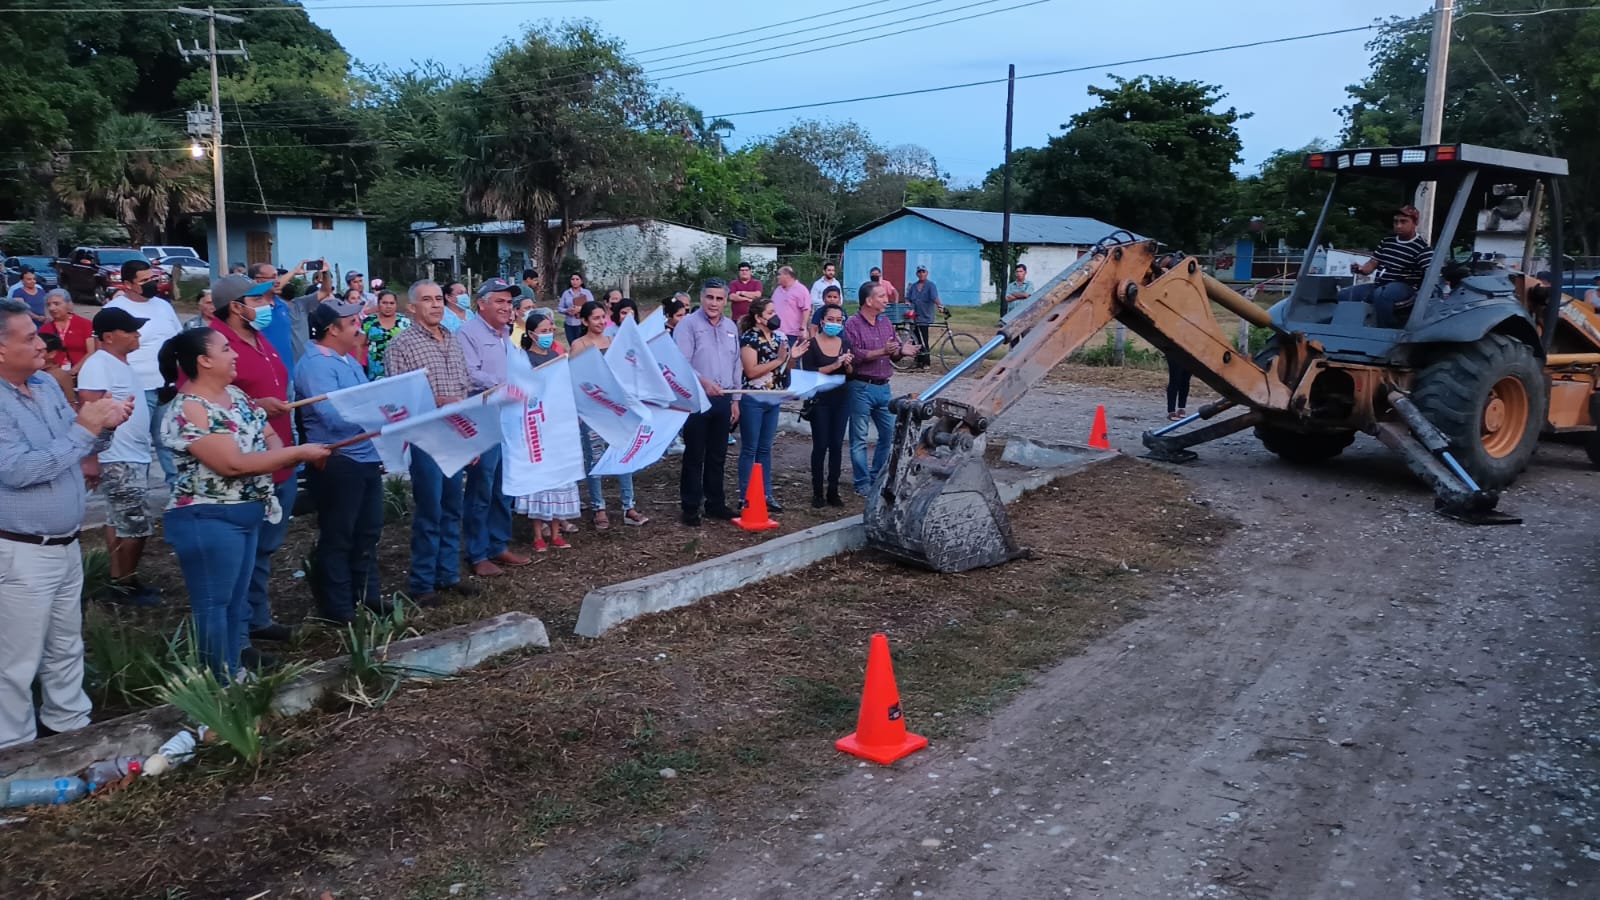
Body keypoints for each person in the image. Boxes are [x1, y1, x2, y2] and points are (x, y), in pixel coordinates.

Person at [0, 298, 135, 749]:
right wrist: (84, 429)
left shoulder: (41, 383)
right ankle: (14, 749)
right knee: (15, 657)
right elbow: (18, 471)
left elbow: (73, 446)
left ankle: (68, 727)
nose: (43, 344)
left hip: (64, 542)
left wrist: (106, 426)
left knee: (65, 644)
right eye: (30, 338)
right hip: (19, 550)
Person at [157, 329, 328, 680]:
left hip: (247, 512)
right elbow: (231, 463)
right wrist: (295, 454)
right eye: (225, 349)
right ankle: (217, 685)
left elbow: (268, 437)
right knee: (214, 605)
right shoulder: (189, 408)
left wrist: (282, 454)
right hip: (208, 517)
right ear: (204, 361)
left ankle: (234, 668)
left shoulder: (235, 395)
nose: (234, 355)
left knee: (236, 602)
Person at [209, 275, 299, 654]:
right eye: (258, 299)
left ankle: (257, 618)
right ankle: (238, 636)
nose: (266, 306)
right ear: (235, 306)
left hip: (278, 457)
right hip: (244, 465)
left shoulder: (258, 338)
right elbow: (206, 403)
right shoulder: (212, 345)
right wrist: (258, 406)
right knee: (241, 557)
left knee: (263, 549)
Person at [386, 280, 479, 606]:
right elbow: (398, 398)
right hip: (426, 439)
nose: (436, 305)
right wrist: (439, 401)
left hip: (453, 436)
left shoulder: (453, 340)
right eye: (427, 300)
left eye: (439, 299)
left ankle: (448, 574)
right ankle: (422, 582)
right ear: (412, 307)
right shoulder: (402, 346)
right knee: (430, 510)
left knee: (452, 507)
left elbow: (465, 387)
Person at [295, 301, 390, 623]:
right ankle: (338, 607)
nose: (359, 327)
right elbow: (331, 415)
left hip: (364, 456)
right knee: (339, 533)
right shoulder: (316, 366)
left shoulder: (347, 359)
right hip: (338, 460)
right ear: (332, 329)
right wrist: (378, 416)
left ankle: (366, 595)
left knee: (368, 530)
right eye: (352, 322)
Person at [77, 308, 160, 605]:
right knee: (136, 525)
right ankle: (125, 586)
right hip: (118, 457)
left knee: (118, 521)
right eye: (131, 330)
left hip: (130, 454)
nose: (137, 334)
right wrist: (91, 457)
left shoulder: (119, 364)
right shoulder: (99, 365)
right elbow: (89, 412)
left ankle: (121, 580)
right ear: (109, 337)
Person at [458, 278, 533, 573]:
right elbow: (470, 374)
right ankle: (477, 553)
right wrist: (505, 386)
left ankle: (498, 544)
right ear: (482, 304)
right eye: (499, 301)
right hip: (482, 418)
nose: (507, 307)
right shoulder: (468, 333)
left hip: (508, 417)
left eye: (508, 302)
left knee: (505, 483)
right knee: (482, 485)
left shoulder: (509, 334)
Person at [105, 258, 184, 487]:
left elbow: (177, 338)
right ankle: (137, 493)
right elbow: (106, 352)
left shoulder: (163, 306)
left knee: (168, 441)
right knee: (137, 444)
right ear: (128, 284)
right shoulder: (114, 311)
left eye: (152, 278)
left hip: (167, 386)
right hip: (137, 388)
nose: (152, 283)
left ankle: (177, 493)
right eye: (144, 280)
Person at [571, 300, 650, 528]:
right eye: (595, 318)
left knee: (623, 457)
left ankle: (629, 506)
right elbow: (575, 381)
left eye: (602, 317)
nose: (600, 322)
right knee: (595, 460)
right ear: (585, 321)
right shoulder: (579, 345)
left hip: (617, 412)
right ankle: (599, 507)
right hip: (593, 412)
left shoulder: (613, 342)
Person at [674, 279, 741, 526]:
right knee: (695, 454)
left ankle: (715, 503)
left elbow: (737, 364)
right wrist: (703, 382)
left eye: (719, 298)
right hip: (697, 399)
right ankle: (691, 506)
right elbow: (681, 364)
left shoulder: (731, 327)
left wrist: (736, 400)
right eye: (709, 297)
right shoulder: (688, 325)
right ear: (701, 298)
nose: (714, 303)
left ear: (726, 300)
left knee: (718, 454)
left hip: (723, 398)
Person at [844, 283, 917, 495]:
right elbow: (855, 356)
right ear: (868, 301)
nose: (887, 300)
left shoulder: (886, 322)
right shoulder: (852, 324)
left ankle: (876, 477)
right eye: (882, 297)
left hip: (884, 387)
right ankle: (861, 483)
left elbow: (892, 353)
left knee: (890, 434)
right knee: (859, 437)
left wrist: (903, 351)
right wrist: (882, 351)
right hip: (860, 387)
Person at [516, 309, 580, 551]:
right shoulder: (523, 359)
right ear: (531, 334)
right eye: (543, 331)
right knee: (539, 479)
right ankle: (537, 534)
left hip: (557, 425)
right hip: (535, 424)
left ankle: (555, 532)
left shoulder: (556, 356)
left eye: (550, 330)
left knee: (558, 478)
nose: (548, 334)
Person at [738, 297, 807, 511]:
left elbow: (785, 369)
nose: (774, 316)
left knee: (765, 448)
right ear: (758, 318)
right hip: (753, 398)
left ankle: (765, 493)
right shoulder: (749, 339)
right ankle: (746, 495)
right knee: (750, 448)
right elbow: (751, 371)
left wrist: (792, 357)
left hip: (773, 397)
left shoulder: (780, 337)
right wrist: (778, 360)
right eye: (769, 313)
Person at [1340, 205, 1434, 329]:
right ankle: (1347, 331)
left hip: (1405, 287)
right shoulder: (1387, 242)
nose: (1398, 225)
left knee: (1382, 294)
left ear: (1415, 223)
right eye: (1396, 222)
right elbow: (1372, 264)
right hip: (1381, 285)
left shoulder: (1422, 248)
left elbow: (1431, 274)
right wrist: (1361, 269)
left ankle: (1385, 330)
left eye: (1403, 221)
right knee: (1345, 294)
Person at [803, 305, 854, 507]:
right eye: (830, 319)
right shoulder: (812, 344)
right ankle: (817, 492)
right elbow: (810, 373)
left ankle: (833, 490)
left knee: (836, 445)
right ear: (822, 321)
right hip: (820, 400)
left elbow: (851, 373)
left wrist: (848, 364)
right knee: (820, 445)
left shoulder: (845, 342)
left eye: (839, 320)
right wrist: (834, 365)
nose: (835, 323)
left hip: (841, 399)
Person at [247, 261, 308, 371]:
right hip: (266, 372)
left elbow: (274, 284)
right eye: (274, 277)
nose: (278, 281)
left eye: (278, 277)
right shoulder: (251, 307)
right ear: (257, 280)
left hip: (288, 373)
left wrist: (294, 271)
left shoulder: (281, 304)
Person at [38, 289, 95, 371]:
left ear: (69, 305)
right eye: (48, 305)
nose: (51, 308)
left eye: (56, 304)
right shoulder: (45, 329)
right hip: (55, 373)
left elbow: (91, 352)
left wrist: (74, 371)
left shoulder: (84, 324)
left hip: (82, 370)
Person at [361, 290, 411, 379]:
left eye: (392, 303)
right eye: (384, 303)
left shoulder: (405, 322)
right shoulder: (368, 322)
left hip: (400, 368)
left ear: (396, 305)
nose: (388, 306)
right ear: (378, 303)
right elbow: (360, 346)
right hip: (375, 371)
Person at [904, 264, 943, 367]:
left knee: (924, 339)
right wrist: (907, 302)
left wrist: (940, 306)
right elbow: (908, 297)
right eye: (919, 272)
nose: (921, 274)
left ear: (927, 273)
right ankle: (918, 361)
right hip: (914, 316)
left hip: (925, 316)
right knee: (915, 339)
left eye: (923, 272)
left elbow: (935, 298)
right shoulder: (913, 286)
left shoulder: (931, 285)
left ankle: (926, 362)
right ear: (917, 274)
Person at [770, 265, 812, 344]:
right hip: (776, 332)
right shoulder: (778, 290)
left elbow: (806, 309)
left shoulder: (801, 290)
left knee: (791, 355)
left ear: (787, 275)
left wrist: (803, 328)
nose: (777, 277)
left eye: (779, 274)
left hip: (792, 334)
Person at [558, 273, 594, 345]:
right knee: (572, 345)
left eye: (577, 279)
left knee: (582, 345)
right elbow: (560, 308)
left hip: (582, 323)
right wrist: (566, 311)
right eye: (572, 279)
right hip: (569, 324)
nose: (574, 281)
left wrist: (580, 309)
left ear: (581, 281)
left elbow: (592, 306)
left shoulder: (586, 293)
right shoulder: (566, 293)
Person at [1165, 352, 1193, 421]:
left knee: (1185, 380)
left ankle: (1182, 408)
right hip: (1175, 351)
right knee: (1175, 380)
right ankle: (1171, 411)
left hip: (1189, 353)